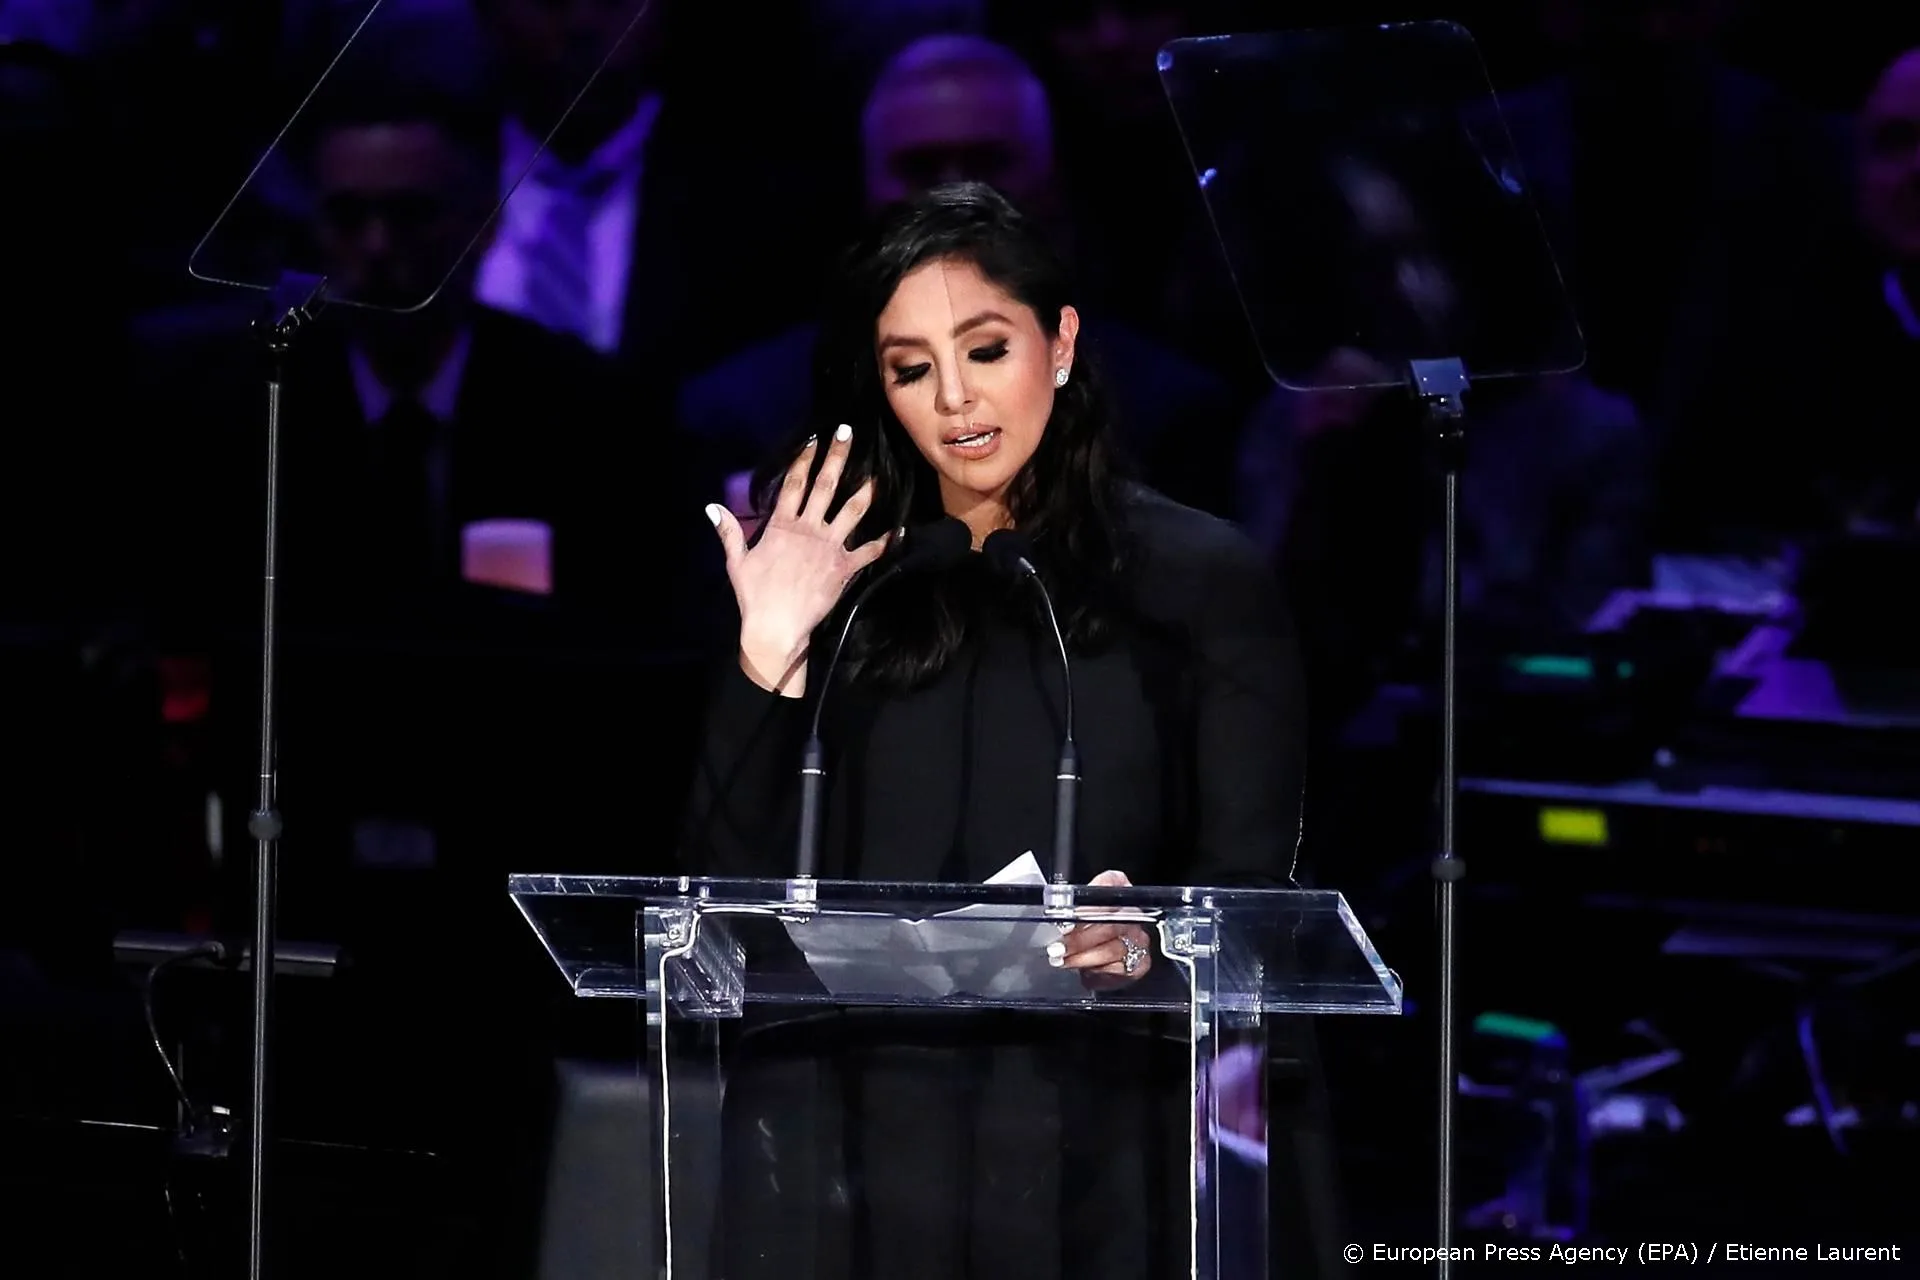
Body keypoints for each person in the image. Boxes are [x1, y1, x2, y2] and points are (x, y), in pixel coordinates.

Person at [682, 182, 1328, 1278]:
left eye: (986, 348)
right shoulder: (845, 582)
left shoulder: (1194, 579)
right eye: (911, 367)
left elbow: (1254, 894)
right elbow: (720, 910)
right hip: (859, 1145)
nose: (955, 400)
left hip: (1099, 1138)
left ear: (1061, 341)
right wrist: (770, 649)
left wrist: (1156, 931)